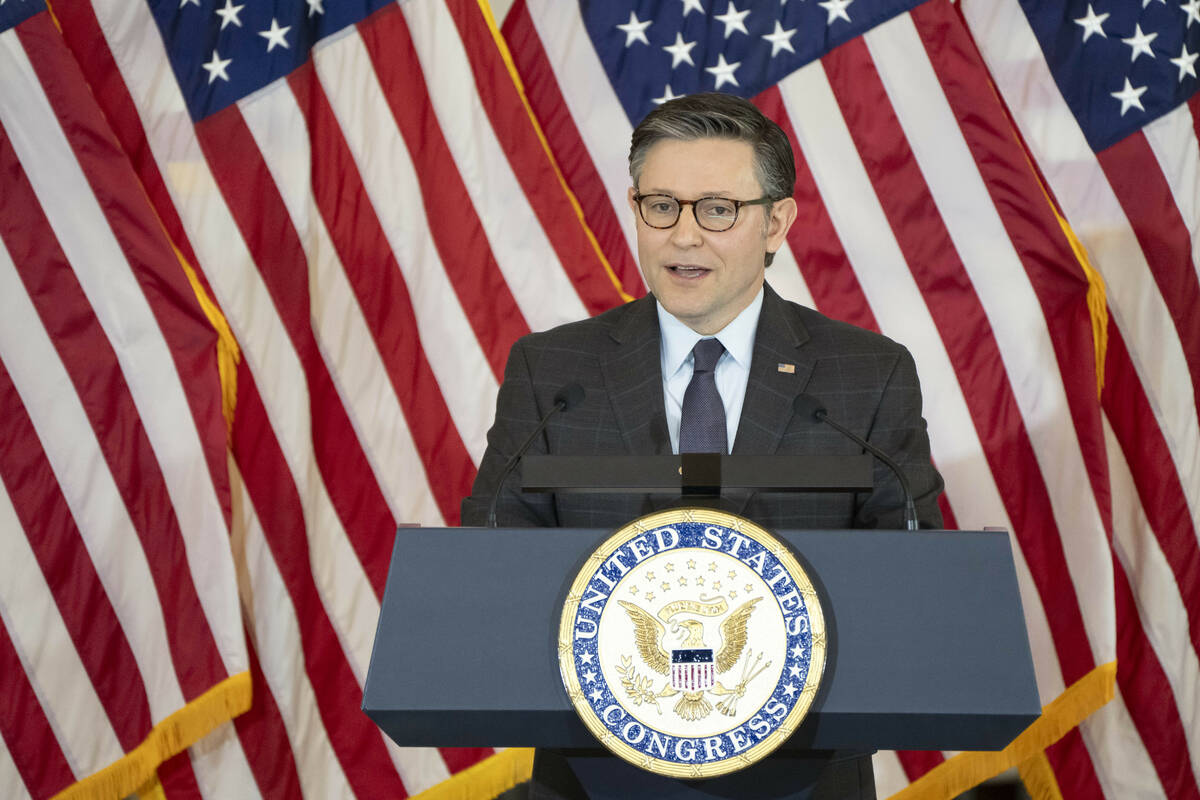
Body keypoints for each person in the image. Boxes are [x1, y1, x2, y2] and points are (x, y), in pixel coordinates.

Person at [462, 92, 942, 533]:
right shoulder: (551, 374)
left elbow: (909, 578)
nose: (684, 236)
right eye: (663, 205)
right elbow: (490, 564)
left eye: (717, 209)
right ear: (635, 207)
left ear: (776, 224)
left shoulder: (869, 376)